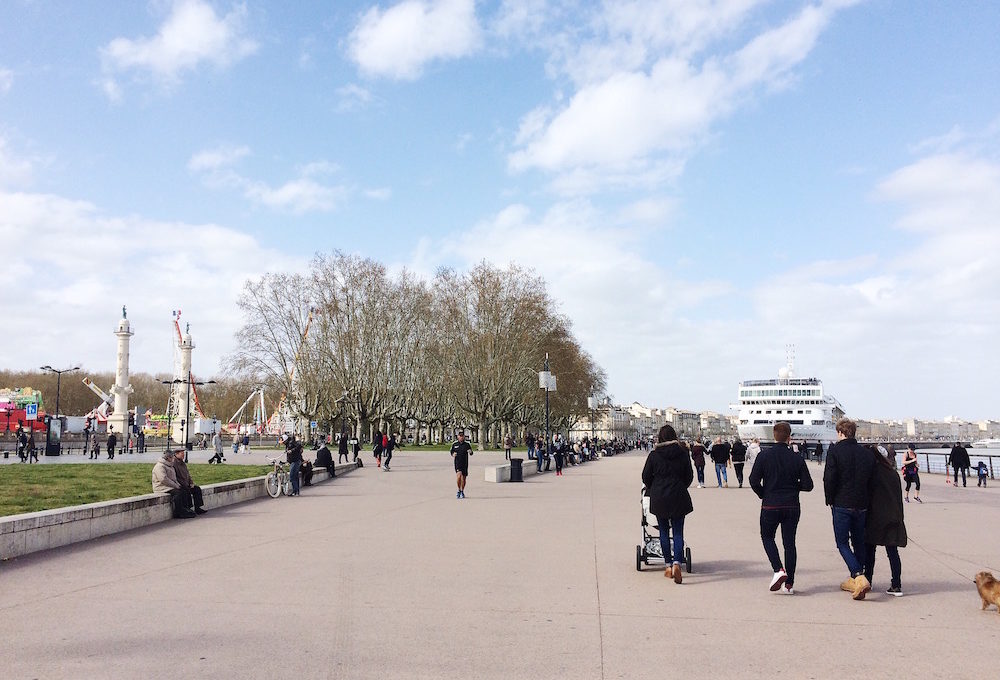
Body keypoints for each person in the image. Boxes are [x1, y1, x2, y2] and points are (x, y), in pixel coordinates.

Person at [749, 422, 814, 595]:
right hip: (791, 505)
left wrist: (763, 493)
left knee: (767, 536)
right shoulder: (797, 458)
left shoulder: (764, 456)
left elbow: (753, 480)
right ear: (789, 437)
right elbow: (808, 485)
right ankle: (789, 584)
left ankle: (778, 569)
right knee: (789, 543)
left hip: (770, 504)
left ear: (774, 436)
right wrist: (794, 486)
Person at [824, 418, 875, 600]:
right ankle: (857, 579)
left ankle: (858, 576)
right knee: (859, 542)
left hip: (841, 502)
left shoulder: (835, 451)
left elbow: (830, 477)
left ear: (840, 432)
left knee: (842, 542)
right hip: (862, 504)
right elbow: (872, 480)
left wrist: (829, 499)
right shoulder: (866, 454)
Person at [641, 425, 694, 584]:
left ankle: (668, 565)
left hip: (660, 497)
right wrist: (680, 486)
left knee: (663, 531)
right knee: (678, 532)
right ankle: (678, 562)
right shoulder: (683, 454)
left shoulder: (654, 455)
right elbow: (689, 476)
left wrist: (653, 486)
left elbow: (645, 476)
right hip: (678, 496)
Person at [863, 445, 906, 596]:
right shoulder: (893, 474)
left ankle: (868, 579)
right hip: (892, 515)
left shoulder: (871, 473)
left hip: (874, 516)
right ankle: (896, 584)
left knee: (869, 551)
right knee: (892, 551)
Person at [151, 449, 197, 519]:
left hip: (170, 486)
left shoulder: (170, 465)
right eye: (172, 457)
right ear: (168, 458)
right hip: (161, 487)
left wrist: (178, 484)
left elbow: (174, 478)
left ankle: (186, 509)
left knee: (184, 490)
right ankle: (179, 511)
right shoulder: (160, 466)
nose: (173, 458)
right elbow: (163, 479)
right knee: (178, 493)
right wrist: (176, 485)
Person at [172, 448, 207, 515]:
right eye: (182, 453)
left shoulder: (183, 463)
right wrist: (183, 484)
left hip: (186, 483)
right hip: (180, 484)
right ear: (176, 454)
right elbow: (175, 477)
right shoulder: (174, 463)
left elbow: (187, 474)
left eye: (184, 453)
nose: (183, 455)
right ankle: (188, 508)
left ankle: (198, 507)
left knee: (197, 489)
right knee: (185, 491)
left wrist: (191, 482)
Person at [451, 431, 473, 499]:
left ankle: (462, 490)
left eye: (462, 436)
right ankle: (458, 490)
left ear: (464, 437)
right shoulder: (455, 444)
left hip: (465, 463)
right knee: (458, 477)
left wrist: (470, 452)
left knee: (463, 478)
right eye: (460, 436)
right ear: (458, 437)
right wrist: (453, 454)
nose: (461, 437)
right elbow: (451, 451)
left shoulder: (467, 445)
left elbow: (471, 453)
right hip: (458, 463)